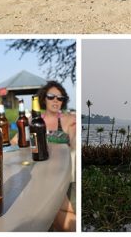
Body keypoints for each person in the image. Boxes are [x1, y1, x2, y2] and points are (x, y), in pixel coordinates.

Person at [37, 80, 77, 232]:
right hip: (39, 173)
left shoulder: (68, 120)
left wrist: (74, 135)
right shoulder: (33, 121)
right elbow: (15, 143)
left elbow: (74, 140)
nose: (55, 100)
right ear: (44, 98)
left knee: (58, 210)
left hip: (59, 173)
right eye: (51, 96)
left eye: (60, 98)